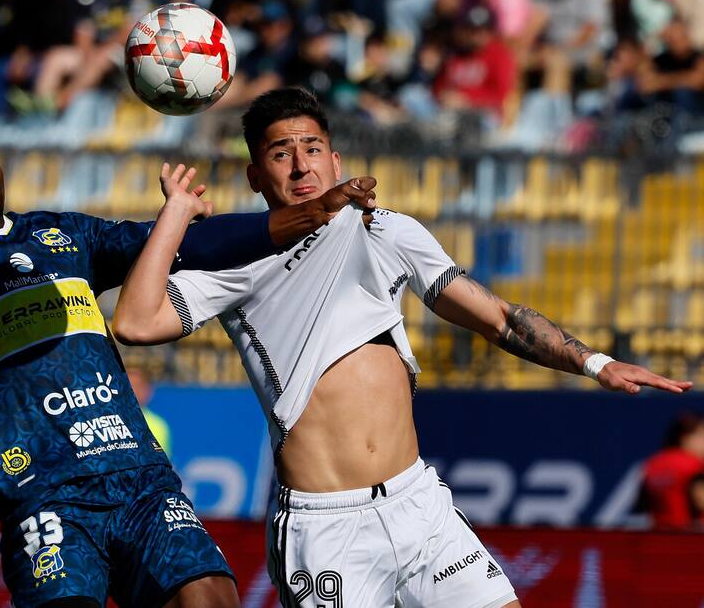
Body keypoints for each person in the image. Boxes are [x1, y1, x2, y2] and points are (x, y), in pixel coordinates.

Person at [111, 87, 694, 607]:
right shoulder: (237, 258)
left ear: (336, 160)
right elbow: (135, 323)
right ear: (255, 176)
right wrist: (176, 216)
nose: (301, 165)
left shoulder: (386, 230)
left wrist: (595, 362)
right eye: (281, 154)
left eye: (312, 148)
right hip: (324, 526)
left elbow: (498, 319)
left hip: (418, 504)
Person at [0, 86, 377, 608]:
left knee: (211, 597)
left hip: (140, 477)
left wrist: (310, 213)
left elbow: (193, 244)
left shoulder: (66, 235)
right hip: (45, 495)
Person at [639, 412, 704, 529]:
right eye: (701, 436)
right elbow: (701, 501)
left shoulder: (652, 464)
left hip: (658, 533)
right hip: (691, 534)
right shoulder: (693, 464)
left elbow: (643, 505)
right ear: (684, 438)